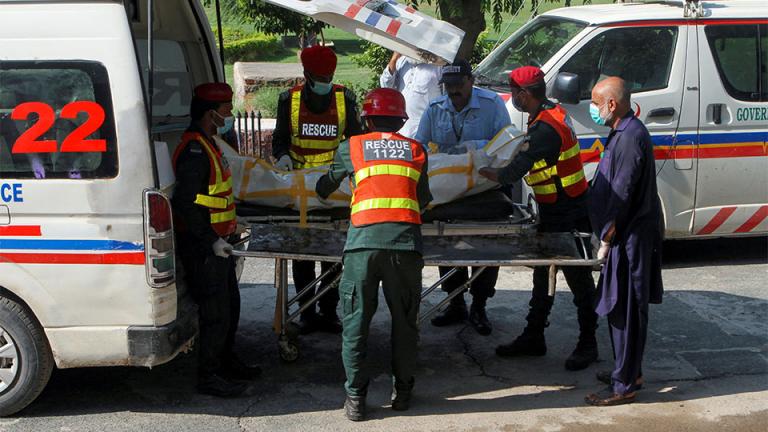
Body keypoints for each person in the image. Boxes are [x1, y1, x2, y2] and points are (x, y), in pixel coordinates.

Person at [316, 88, 431, 421]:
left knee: (356, 322)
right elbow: (422, 200)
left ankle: (355, 398)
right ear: (401, 120)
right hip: (406, 247)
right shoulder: (416, 150)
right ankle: (404, 393)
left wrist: (322, 189)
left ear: (366, 119)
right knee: (405, 322)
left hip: (362, 247)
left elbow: (327, 185)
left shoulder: (351, 147)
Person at [478, 66, 599, 371]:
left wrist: (486, 173)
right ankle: (534, 335)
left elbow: (516, 169)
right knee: (542, 274)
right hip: (555, 207)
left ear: (524, 94)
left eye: (514, 93)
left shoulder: (546, 128)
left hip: (567, 212)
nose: (513, 99)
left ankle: (589, 343)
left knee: (579, 280)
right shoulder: (550, 114)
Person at [172, 82, 261, 398]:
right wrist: (210, 239)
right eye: (226, 109)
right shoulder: (195, 150)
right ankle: (209, 375)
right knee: (215, 314)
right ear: (212, 113)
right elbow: (186, 202)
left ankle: (226, 362)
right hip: (204, 248)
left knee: (230, 308)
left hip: (222, 243)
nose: (230, 114)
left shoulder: (210, 143)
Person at [414, 59, 511, 336]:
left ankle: (479, 306)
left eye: (458, 85)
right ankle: (455, 302)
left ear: (471, 81)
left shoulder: (492, 105)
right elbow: (421, 146)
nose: (453, 91)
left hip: (484, 191)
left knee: (485, 248)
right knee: (448, 243)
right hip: (448, 192)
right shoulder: (436, 108)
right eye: (449, 86)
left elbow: (505, 144)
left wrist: (474, 149)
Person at [271, 45, 363, 334]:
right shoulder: (290, 99)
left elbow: (356, 140)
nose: (326, 80)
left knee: (334, 256)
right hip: (301, 190)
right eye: (319, 76)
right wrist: (283, 156)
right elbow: (279, 139)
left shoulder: (344, 98)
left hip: (334, 189)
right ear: (306, 74)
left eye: (329, 75)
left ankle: (329, 311)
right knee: (303, 255)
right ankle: (307, 312)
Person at [584, 77, 663, 406]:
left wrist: (608, 233)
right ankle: (630, 370)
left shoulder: (630, 137)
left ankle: (624, 385)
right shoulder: (621, 132)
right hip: (623, 235)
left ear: (611, 104)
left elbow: (623, 189)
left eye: (595, 102)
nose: (593, 108)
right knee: (622, 307)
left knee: (625, 310)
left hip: (629, 237)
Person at [379, 52, 442, 139]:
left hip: (426, 133)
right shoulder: (402, 60)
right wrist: (394, 59)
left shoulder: (439, 65)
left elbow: (446, 100)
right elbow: (386, 87)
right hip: (401, 131)